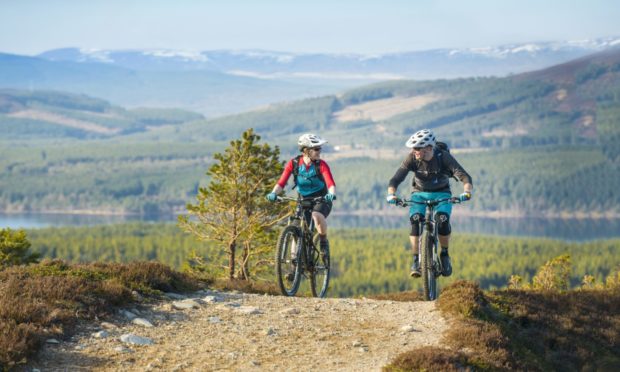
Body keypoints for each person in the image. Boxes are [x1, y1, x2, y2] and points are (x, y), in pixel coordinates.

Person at [386, 129, 473, 277]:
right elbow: (396, 179)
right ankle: (416, 261)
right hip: (419, 194)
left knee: (442, 219)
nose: (414, 151)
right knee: (415, 220)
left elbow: (464, 176)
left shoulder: (443, 157)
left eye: (418, 148)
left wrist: (467, 192)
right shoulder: (412, 158)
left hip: (442, 193)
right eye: (414, 148)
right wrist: (391, 194)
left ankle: (444, 254)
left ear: (429, 147)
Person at [266, 133, 337, 253]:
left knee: (317, 216)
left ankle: (323, 241)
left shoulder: (321, 165)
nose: (319, 151)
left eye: (320, 148)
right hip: (304, 199)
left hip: (322, 199)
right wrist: (273, 193)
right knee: (297, 227)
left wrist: (331, 194)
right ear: (306, 150)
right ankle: (295, 264)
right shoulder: (294, 164)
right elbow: (281, 183)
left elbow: (330, 184)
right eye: (316, 149)